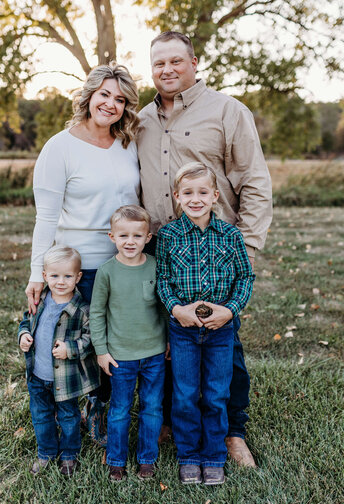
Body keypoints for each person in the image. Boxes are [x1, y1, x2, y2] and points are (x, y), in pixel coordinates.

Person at [138, 31, 273, 466]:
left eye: (177, 61)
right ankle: (167, 420)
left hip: (217, 250)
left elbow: (254, 181)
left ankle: (233, 432)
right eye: (159, 63)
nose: (168, 70)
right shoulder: (140, 120)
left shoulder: (228, 111)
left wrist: (247, 249)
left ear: (195, 63)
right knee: (165, 339)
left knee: (221, 342)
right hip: (160, 249)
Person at [25, 62, 141, 446]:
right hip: (78, 269)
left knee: (116, 343)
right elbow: (46, 217)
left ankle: (103, 410)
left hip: (124, 263)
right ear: (89, 95)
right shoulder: (60, 147)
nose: (110, 104)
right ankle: (75, 411)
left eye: (120, 99)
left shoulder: (129, 145)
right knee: (81, 344)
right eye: (104, 94)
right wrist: (37, 274)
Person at [156, 162, 255, 485]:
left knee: (215, 393)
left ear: (215, 196)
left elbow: (245, 277)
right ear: (177, 197)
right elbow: (163, 281)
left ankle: (213, 455)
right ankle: (188, 455)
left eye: (202, 192)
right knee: (185, 394)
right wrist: (175, 308)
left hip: (220, 330)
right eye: (187, 193)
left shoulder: (230, 235)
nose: (195, 199)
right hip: (182, 330)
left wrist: (230, 310)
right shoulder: (169, 235)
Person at [89, 205, 168, 481]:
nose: (130, 242)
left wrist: (168, 341)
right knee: (120, 409)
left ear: (148, 237)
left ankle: (147, 459)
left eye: (137, 235)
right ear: (112, 237)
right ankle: (116, 460)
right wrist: (101, 351)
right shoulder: (107, 271)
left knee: (152, 407)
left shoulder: (157, 267)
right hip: (120, 356)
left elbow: (164, 307)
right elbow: (96, 313)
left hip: (155, 353)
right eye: (123, 236)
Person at [18, 245, 100, 477]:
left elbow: (91, 338)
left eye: (67, 276)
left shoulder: (82, 309)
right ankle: (45, 452)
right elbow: (25, 322)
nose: (60, 281)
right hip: (37, 375)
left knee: (68, 416)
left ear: (78, 277)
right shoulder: (40, 301)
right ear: (44, 276)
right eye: (54, 276)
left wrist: (70, 349)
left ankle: (69, 454)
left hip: (65, 379)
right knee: (41, 416)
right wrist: (24, 336)